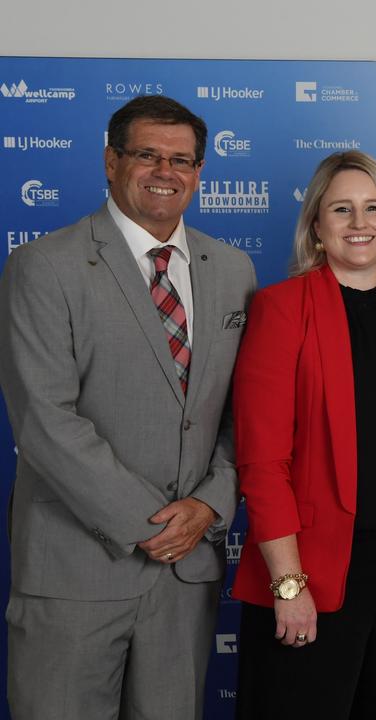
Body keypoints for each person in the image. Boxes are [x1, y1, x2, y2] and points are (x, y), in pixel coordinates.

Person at [0, 95, 256, 718]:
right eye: (147, 155)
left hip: (185, 578)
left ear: (199, 172)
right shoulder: (44, 265)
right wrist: (155, 526)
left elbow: (242, 416)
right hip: (75, 571)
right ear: (111, 162)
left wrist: (208, 505)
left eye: (182, 160)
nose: (165, 171)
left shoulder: (232, 269)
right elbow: (44, 420)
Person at [231, 151, 376, 718]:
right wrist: (288, 586)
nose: (359, 223)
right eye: (342, 209)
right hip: (319, 574)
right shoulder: (282, 308)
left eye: (373, 208)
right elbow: (262, 461)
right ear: (317, 225)